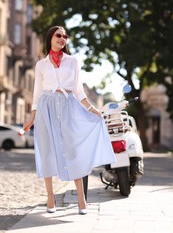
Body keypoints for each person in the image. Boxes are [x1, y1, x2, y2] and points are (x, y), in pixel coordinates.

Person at [23, 25, 116, 215]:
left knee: (73, 151)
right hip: (46, 108)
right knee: (46, 151)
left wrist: (92, 108)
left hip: (68, 107)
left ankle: (81, 199)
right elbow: (37, 93)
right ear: (50, 38)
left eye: (65, 36)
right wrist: (32, 116)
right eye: (59, 35)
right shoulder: (41, 65)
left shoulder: (72, 61)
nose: (62, 38)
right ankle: (50, 198)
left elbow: (78, 90)